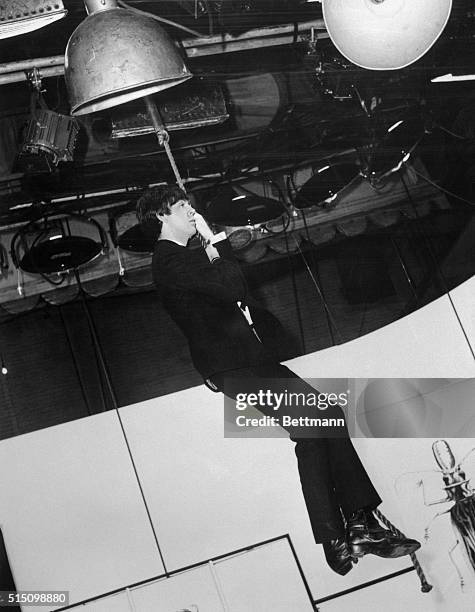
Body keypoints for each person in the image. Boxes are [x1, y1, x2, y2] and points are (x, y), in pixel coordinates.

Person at [136, 184, 420, 576]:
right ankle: (338, 536)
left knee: (325, 416)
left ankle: (359, 525)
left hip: (250, 360)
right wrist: (215, 242)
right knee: (311, 426)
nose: (190, 210)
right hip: (234, 365)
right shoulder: (168, 258)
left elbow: (226, 287)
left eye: (189, 204)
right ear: (160, 217)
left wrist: (213, 247)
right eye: (180, 205)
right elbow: (232, 287)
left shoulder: (184, 257)